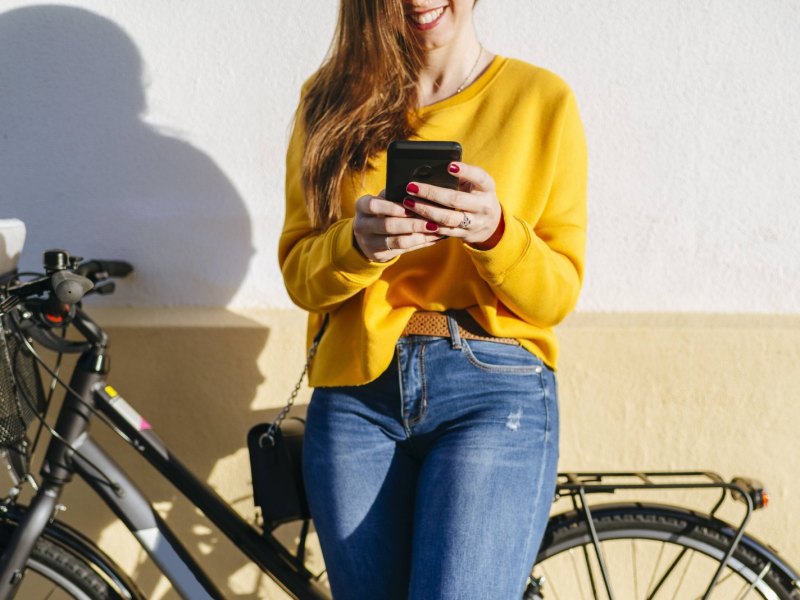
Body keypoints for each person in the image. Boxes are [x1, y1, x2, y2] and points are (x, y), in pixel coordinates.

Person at [279, 0, 587, 597]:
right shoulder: (328, 101)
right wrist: (357, 246)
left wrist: (496, 232)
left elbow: (556, 294)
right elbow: (299, 274)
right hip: (355, 400)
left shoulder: (541, 101)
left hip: (494, 390)